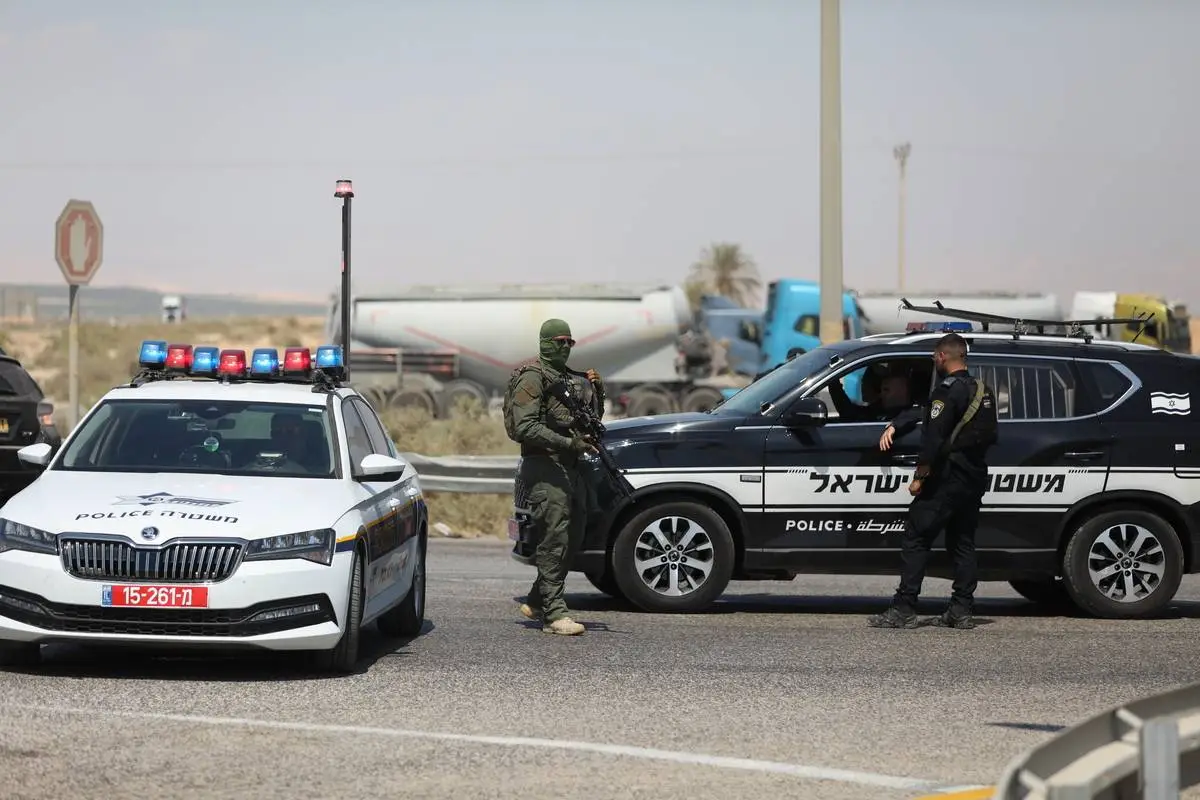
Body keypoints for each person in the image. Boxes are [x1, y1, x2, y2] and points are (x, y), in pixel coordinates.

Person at [868, 332, 997, 630]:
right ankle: (961, 609)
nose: (932, 360)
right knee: (963, 542)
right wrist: (898, 423)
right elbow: (991, 434)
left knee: (916, 537)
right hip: (973, 477)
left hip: (945, 479)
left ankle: (904, 608)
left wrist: (919, 478)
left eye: (934, 356)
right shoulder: (983, 390)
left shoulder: (945, 392)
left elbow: (932, 441)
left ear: (942, 357)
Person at [503, 318, 603, 636]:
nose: (565, 348)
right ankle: (554, 614)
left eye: (569, 343)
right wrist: (567, 443)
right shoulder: (532, 377)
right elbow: (524, 427)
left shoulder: (568, 379)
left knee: (574, 535)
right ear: (546, 343)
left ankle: (538, 599)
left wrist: (598, 392)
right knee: (555, 536)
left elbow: (586, 422)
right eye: (559, 342)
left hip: (570, 466)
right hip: (543, 464)